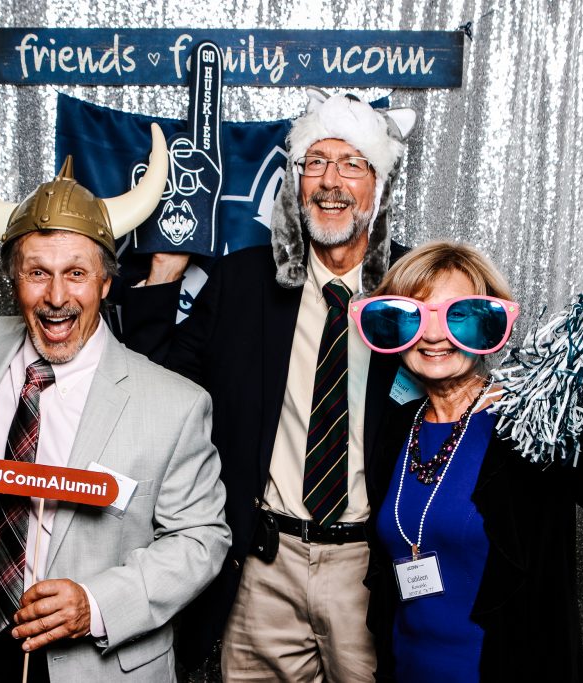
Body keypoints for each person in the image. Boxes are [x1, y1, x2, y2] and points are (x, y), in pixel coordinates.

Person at [119, 89, 418, 680]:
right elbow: (155, 389)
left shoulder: (412, 289)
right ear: (296, 180)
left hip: (371, 566)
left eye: (352, 164)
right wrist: (162, 276)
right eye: (316, 163)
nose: (331, 181)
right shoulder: (241, 284)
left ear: (378, 186)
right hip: (264, 563)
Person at [0, 123, 230, 681]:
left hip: (97, 665)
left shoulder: (175, 405)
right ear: (15, 280)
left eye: (76, 274)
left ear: (106, 284)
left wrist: (97, 603)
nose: (57, 297)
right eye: (38, 274)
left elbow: (203, 538)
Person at [353, 241, 583, 681]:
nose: (434, 335)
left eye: (460, 316)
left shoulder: (532, 424)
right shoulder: (396, 427)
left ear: (491, 327)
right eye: (415, 316)